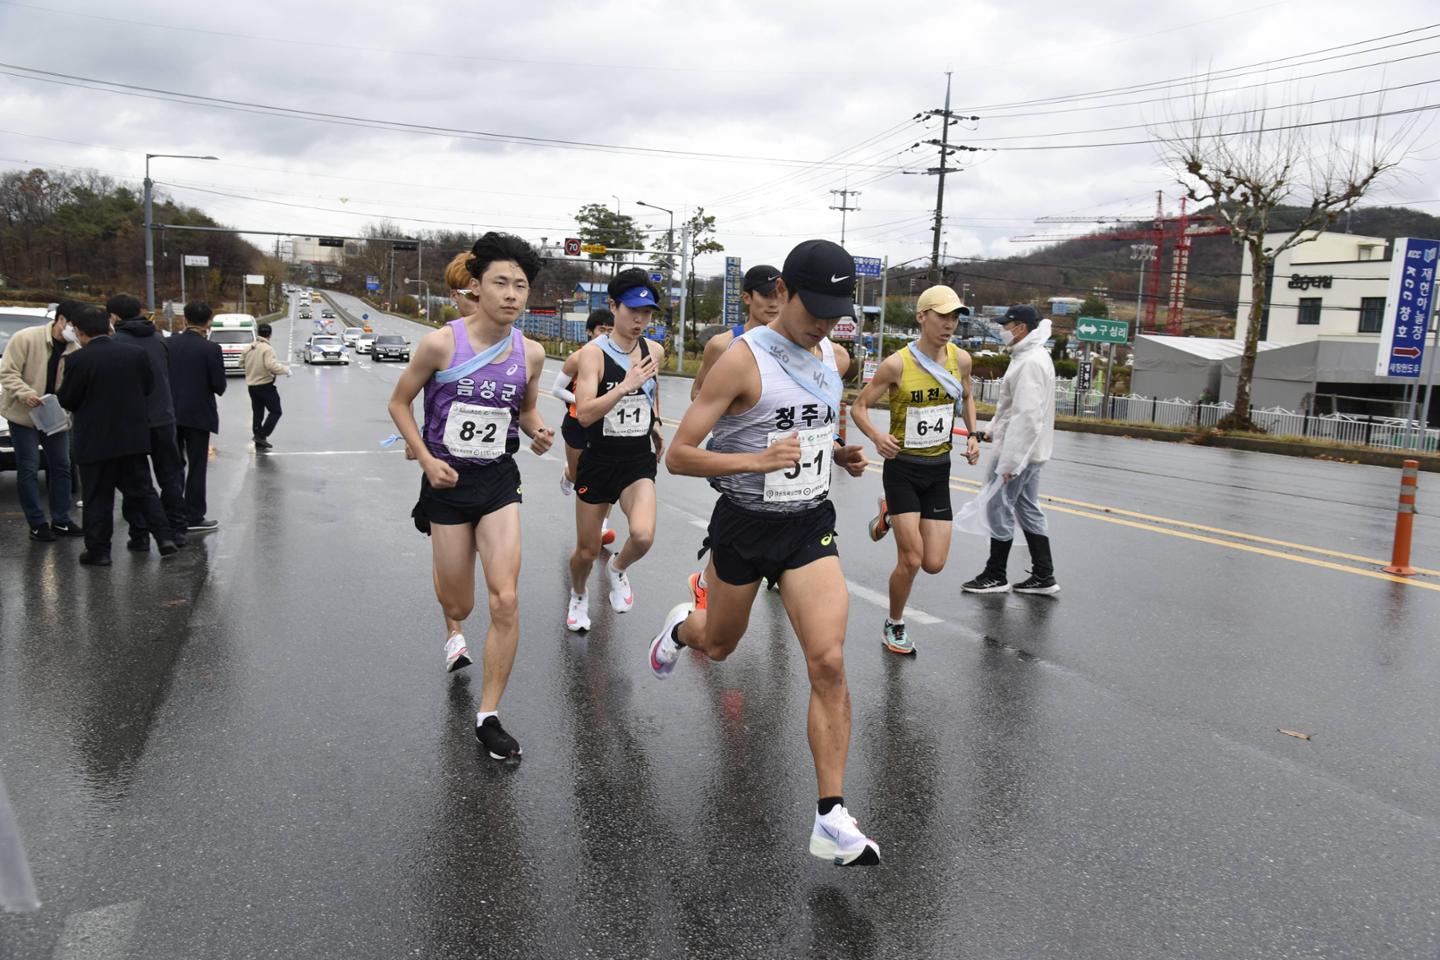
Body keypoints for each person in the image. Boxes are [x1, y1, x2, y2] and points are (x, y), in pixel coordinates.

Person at [647, 238, 880, 867]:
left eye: (836, 313)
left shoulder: (833, 356)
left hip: (807, 525)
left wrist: (837, 454)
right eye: (815, 309)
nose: (825, 324)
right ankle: (681, 627)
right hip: (744, 525)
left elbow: (811, 429)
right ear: (783, 292)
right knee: (719, 644)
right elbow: (679, 457)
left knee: (828, 661)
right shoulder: (740, 360)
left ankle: (831, 816)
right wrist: (757, 460)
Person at [387, 232, 553, 761]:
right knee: (460, 603)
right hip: (446, 482)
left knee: (505, 598)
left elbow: (525, 410)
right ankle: (450, 600)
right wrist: (425, 458)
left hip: (498, 479)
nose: (511, 294)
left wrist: (538, 430)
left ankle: (489, 715)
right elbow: (399, 403)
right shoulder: (441, 344)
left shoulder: (531, 353)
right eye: (500, 283)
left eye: (520, 285)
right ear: (476, 287)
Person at [851, 285, 980, 655]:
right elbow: (859, 407)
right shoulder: (897, 365)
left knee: (934, 563)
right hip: (902, 469)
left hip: (938, 470)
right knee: (911, 559)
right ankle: (894, 623)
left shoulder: (961, 360)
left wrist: (973, 434)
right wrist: (877, 436)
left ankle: (888, 513)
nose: (950, 324)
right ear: (922, 316)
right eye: (942, 316)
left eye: (955, 317)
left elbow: (967, 396)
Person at [565, 268, 665, 632]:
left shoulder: (654, 350)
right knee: (586, 550)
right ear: (613, 306)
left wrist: (656, 422)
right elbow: (585, 414)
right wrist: (624, 385)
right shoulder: (592, 355)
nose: (639, 320)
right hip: (599, 460)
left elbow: (652, 391)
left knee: (643, 535)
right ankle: (579, 593)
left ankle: (618, 568)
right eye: (632, 310)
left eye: (647, 313)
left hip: (637, 460)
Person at [56, 305, 177, 565]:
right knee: (143, 490)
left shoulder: (78, 360)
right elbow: (148, 386)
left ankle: (99, 551)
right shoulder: (135, 354)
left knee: (97, 497)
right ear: (108, 327)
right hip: (132, 435)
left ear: (80, 331)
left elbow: (68, 398)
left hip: (95, 439)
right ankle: (165, 538)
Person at [958, 304, 1060, 595]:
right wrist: (990, 430)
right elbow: (1011, 408)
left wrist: (1011, 463)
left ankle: (996, 574)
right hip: (1032, 452)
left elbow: (1027, 417)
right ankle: (1044, 575)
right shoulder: (1030, 356)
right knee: (1027, 507)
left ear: (1021, 328)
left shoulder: (1030, 362)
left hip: (1019, 453)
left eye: (1006, 325)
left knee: (997, 506)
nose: (1002, 330)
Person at [109, 294, 188, 550]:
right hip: (164, 417)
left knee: (136, 481)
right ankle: (177, 530)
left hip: (132, 422)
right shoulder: (159, 338)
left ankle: (140, 534)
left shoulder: (115, 343)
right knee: (171, 476)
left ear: (114, 316)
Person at [0, 299, 82, 541]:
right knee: (28, 467)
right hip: (23, 414)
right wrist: (25, 393)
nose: (75, 331)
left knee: (62, 465)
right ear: (61, 320)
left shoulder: (76, 348)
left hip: (56, 416)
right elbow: (8, 372)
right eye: (73, 325)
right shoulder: (26, 338)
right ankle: (37, 524)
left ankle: (61, 520)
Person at [549, 311, 618, 551]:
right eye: (601, 330)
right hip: (576, 422)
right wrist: (584, 401)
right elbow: (557, 389)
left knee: (608, 477)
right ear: (590, 332)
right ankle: (569, 474)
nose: (606, 334)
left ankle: (601, 527)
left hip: (606, 425)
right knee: (581, 476)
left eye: (610, 330)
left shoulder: (618, 359)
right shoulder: (577, 358)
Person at [166, 301, 227, 532]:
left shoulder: (167, 344)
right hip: (199, 415)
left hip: (170, 413)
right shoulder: (211, 349)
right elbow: (219, 386)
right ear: (208, 323)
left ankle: (172, 513)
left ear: (184, 319)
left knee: (172, 465)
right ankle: (193, 515)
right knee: (197, 466)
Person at [690, 264, 782, 401]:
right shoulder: (721, 345)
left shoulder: (798, 344)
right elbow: (697, 393)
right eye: (766, 296)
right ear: (746, 297)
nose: (774, 303)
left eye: (779, 295)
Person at [242, 322, 289, 449]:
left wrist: (252, 367)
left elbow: (241, 363)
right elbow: (271, 366)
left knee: (258, 412)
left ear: (258, 333)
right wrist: (286, 370)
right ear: (270, 334)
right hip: (265, 385)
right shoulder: (267, 349)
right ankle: (262, 435)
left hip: (252, 386)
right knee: (276, 411)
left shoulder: (249, 348)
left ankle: (258, 438)